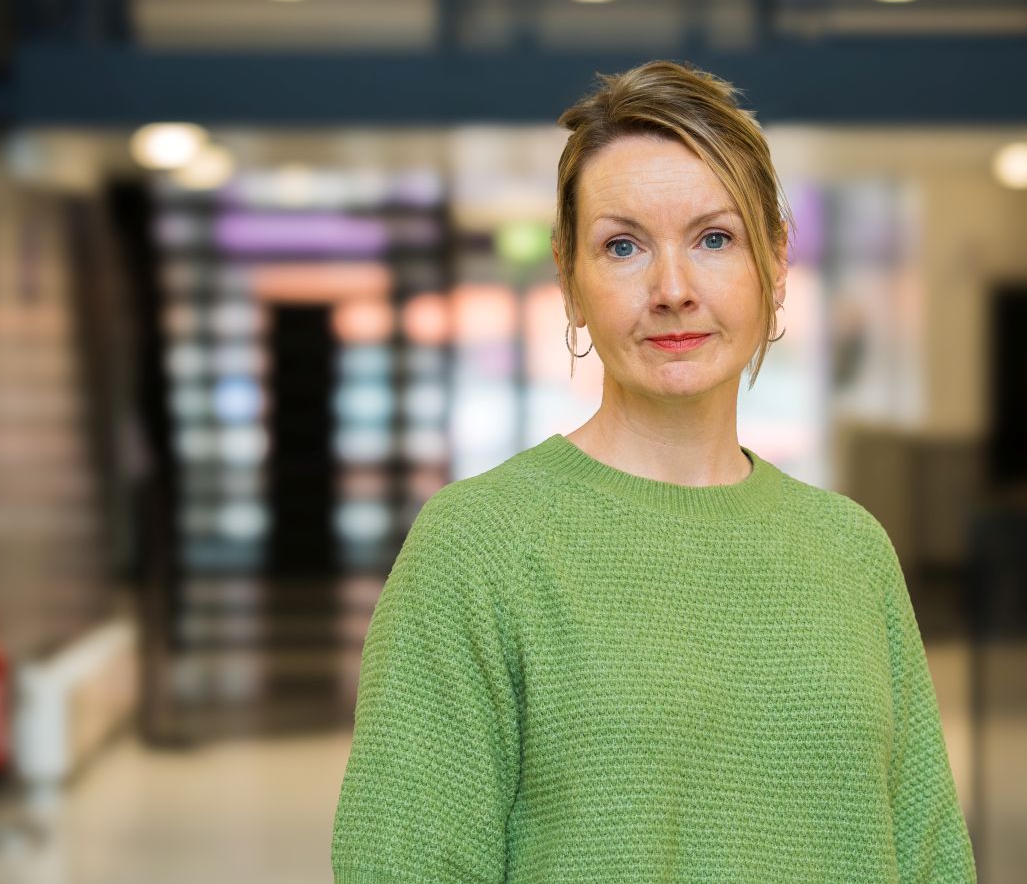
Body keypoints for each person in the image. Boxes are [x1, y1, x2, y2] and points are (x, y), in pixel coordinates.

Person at [331, 59, 976, 883]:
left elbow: (930, 858)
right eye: (623, 246)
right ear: (570, 278)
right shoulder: (474, 548)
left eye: (715, 238)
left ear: (776, 262)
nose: (673, 289)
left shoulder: (852, 549)